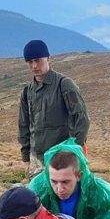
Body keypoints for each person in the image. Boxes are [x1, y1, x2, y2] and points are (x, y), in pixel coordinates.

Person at [18, 39, 90, 180]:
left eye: (38, 60)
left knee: (64, 198)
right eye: (30, 62)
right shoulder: (27, 91)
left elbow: (82, 120)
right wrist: (26, 158)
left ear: (48, 58)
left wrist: (73, 152)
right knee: (37, 200)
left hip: (63, 160)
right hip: (36, 162)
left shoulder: (65, 85)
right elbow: (23, 126)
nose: (34, 66)